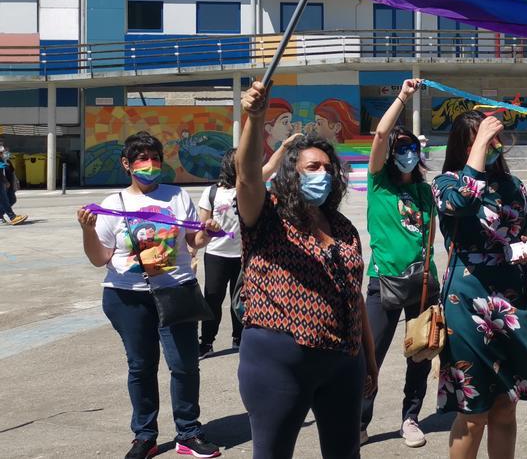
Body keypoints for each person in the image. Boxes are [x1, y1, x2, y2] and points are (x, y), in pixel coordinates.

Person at [235, 81, 378, 458]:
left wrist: (368, 359)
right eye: (312, 167)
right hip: (279, 359)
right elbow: (248, 176)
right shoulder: (268, 218)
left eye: (329, 168)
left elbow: (354, 295)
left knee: (345, 453)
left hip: (343, 360)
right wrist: (252, 118)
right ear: (291, 174)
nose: (323, 174)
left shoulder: (342, 227)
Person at [76, 131, 221, 459]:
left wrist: (205, 234)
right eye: (142, 159)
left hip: (177, 290)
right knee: (141, 367)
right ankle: (145, 435)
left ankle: (189, 432)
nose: (150, 165)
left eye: (155, 158)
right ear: (127, 164)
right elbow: (100, 258)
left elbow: (192, 242)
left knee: (184, 365)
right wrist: (87, 229)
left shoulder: (177, 196)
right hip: (127, 297)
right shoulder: (114, 204)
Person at [433, 111, 527, 459]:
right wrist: (478, 155)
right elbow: (462, 202)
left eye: (494, 139)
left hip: (512, 300)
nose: (492, 146)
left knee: (506, 405)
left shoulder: (514, 185)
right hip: (467, 303)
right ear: (464, 146)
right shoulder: (447, 182)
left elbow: (525, 230)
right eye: (483, 140)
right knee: (473, 411)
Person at [359, 78, 438, 448]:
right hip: (383, 282)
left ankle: (410, 417)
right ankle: (359, 421)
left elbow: (435, 237)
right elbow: (379, 135)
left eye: (411, 147)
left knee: (420, 353)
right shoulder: (378, 184)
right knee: (369, 355)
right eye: (400, 147)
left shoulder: (425, 190)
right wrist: (404, 97)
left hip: (423, 283)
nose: (406, 153)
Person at [196, 150, 244, 358]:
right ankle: (206, 342)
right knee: (213, 299)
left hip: (243, 255)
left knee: (240, 300)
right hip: (217, 254)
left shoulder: (249, 189)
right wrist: (193, 251)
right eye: (238, 162)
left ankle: (240, 338)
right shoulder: (212, 193)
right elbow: (201, 226)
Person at [0, 145, 27, 225]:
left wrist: (14, 182)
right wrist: (5, 181)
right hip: (2, 183)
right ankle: (12, 217)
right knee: (4, 200)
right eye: (2, 152)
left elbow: (11, 172)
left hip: (5, 184)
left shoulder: (6, 161)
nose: (4, 153)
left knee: (10, 199)